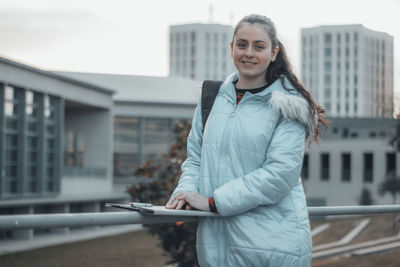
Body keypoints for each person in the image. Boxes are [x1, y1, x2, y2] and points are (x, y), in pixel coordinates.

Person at [166, 14, 328, 266]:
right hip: (215, 245)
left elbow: (280, 174)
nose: (249, 53)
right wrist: (185, 195)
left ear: (273, 52)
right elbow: (195, 158)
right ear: (231, 48)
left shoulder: (289, 104)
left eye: (259, 46)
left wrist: (212, 202)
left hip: (271, 248)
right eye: (242, 45)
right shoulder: (211, 98)